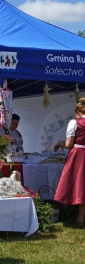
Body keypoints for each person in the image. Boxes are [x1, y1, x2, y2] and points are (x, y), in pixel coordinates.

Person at [53, 97, 85, 227]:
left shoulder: (74, 123)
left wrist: (60, 143)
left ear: (78, 111)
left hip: (78, 155)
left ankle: (80, 218)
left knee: (79, 185)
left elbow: (69, 144)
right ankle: (80, 217)